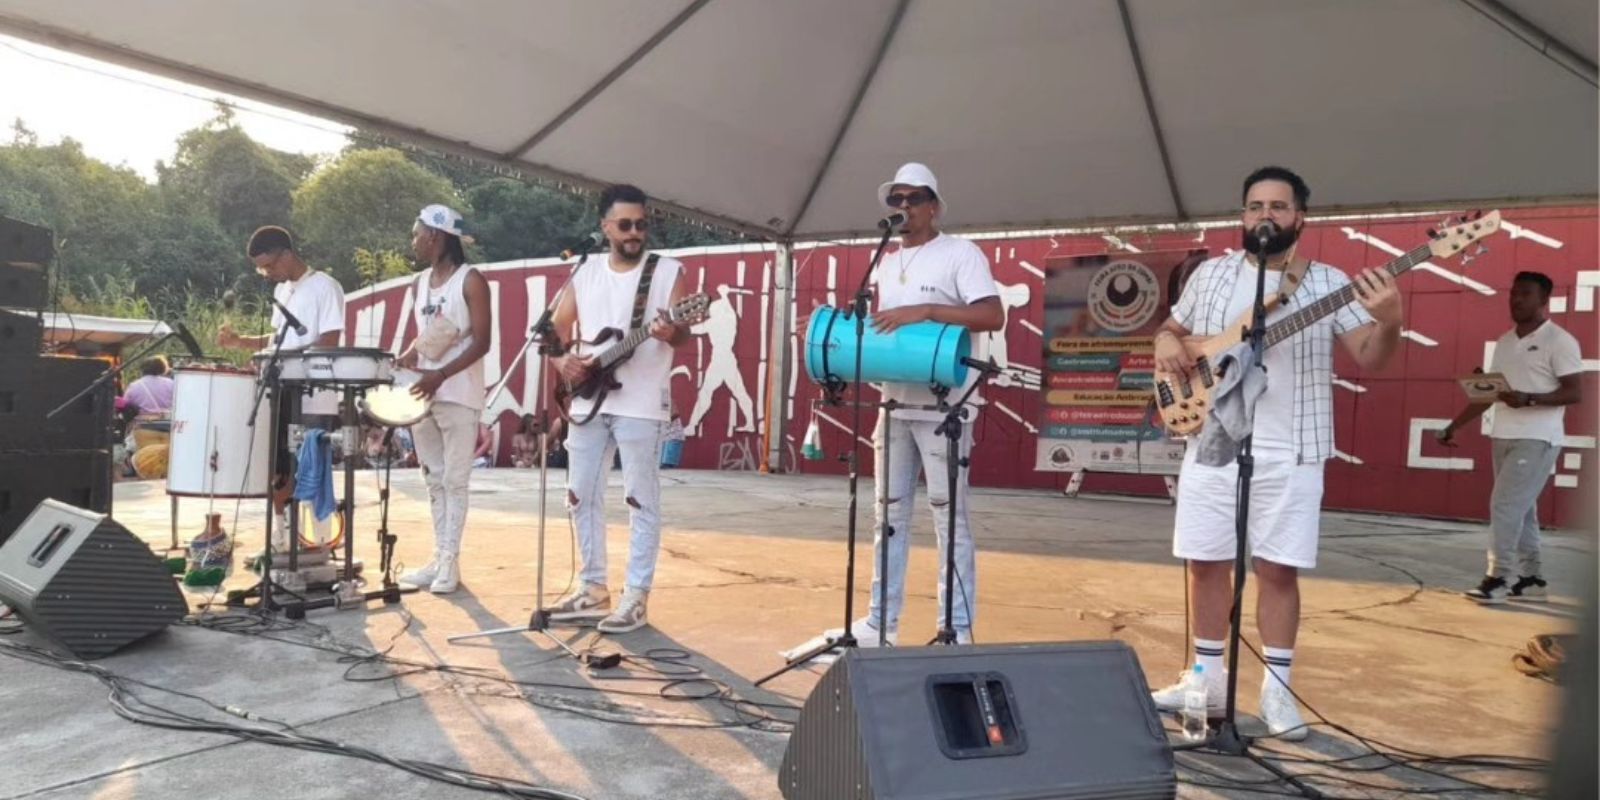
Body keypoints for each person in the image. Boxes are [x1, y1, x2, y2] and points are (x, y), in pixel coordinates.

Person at [1148, 166, 1404, 740]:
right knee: (1206, 561)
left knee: (1278, 570)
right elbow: (1174, 327)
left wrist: (1391, 323)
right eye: (1255, 206)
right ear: (1243, 217)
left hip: (1292, 447)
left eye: (1278, 207)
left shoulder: (1327, 283)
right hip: (1213, 439)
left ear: (1300, 218)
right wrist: (1166, 340)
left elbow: (1372, 355)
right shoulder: (1211, 275)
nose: (1266, 215)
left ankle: (1278, 692)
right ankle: (1207, 680)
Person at [808, 162, 1004, 650]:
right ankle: (880, 622)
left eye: (913, 198)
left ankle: (953, 628)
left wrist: (929, 309)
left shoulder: (960, 253)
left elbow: (991, 314)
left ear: (934, 205)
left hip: (946, 410)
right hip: (893, 405)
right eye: (896, 200)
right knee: (887, 516)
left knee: (948, 519)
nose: (904, 207)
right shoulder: (886, 261)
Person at [545, 184, 691, 634]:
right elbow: (553, 328)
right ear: (605, 227)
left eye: (642, 224)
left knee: (639, 498)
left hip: (643, 402)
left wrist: (672, 334)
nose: (634, 233)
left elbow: (683, 332)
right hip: (589, 396)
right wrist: (561, 359)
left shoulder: (667, 271)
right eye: (625, 225)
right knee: (579, 494)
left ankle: (636, 596)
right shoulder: (584, 270)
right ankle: (592, 587)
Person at [1438, 271, 1582, 604]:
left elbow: (1575, 392)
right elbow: (1489, 394)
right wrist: (1453, 426)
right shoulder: (1505, 341)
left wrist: (1530, 399)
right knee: (1521, 508)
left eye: (1525, 294)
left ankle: (1498, 578)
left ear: (1543, 301)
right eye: (1513, 293)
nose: (1516, 299)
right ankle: (1531, 578)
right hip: (1502, 435)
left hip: (1537, 438)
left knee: (1504, 506)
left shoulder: (1559, 341)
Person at [218, 226, 345, 547]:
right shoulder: (281, 292)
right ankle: (284, 534)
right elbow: (279, 339)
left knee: (309, 461)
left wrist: (284, 357)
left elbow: (329, 340)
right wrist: (242, 342)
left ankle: (316, 538)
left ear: (286, 255)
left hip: (314, 389)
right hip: (282, 386)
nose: (267, 273)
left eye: (269, 265)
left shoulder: (324, 287)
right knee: (280, 463)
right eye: (261, 268)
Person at [395, 205, 491, 595]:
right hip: (424, 391)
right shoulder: (420, 282)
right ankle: (438, 557)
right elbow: (427, 336)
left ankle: (450, 562)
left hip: (458, 393)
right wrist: (407, 358)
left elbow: (483, 341)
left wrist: (442, 376)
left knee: (455, 480)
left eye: (417, 233)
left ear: (435, 235)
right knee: (433, 478)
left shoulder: (471, 280)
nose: (413, 240)